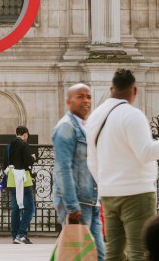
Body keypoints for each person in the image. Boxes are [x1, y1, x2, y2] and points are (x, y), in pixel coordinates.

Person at [86, 69, 159, 261]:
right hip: (136, 193)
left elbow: (91, 160)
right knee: (139, 251)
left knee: (113, 252)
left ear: (111, 88)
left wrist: (106, 183)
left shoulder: (94, 117)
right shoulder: (132, 115)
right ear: (134, 91)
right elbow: (147, 153)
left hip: (108, 194)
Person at [52, 83, 105, 261]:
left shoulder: (85, 126)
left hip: (90, 200)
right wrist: (72, 206)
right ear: (69, 101)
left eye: (89, 97)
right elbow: (62, 168)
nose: (86, 101)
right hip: (78, 202)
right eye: (80, 96)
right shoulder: (66, 127)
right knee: (82, 255)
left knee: (97, 255)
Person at [6, 125, 36, 244]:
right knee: (29, 208)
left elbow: (4, 163)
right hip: (23, 181)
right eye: (27, 136)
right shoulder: (24, 145)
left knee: (15, 209)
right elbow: (28, 162)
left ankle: (15, 236)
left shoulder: (9, 146)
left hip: (12, 180)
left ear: (16, 134)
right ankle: (21, 234)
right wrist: (33, 158)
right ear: (25, 135)